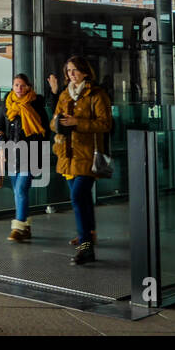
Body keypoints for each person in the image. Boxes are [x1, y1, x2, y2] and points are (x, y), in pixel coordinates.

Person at [49, 55, 112, 265]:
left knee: (77, 197)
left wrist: (78, 122)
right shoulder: (65, 95)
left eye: (74, 70)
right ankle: (89, 234)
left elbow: (105, 124)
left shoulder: (96, 94)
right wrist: (58, 123)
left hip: (87, 155)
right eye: (68, 71)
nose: (71, 74)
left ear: (85, 72)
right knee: (82, 199)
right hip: (66, 155)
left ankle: (86, 247)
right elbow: (52, 122)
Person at [0, 73, 52, 241]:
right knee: (17, 191)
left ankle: (18, 227)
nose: (19, 88)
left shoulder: (35, 104)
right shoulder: (7, 104)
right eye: (16, 85)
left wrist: (35, 143)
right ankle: (26, 228)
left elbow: (45, 130)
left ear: (28, 87)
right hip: (11, 154)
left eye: (22, 85)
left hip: (31, 154)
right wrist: (2, 146)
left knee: (20, 189)